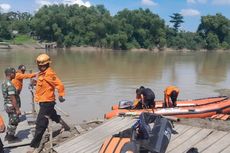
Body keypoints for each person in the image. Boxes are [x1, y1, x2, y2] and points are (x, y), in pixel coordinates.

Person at [27, 53, 67, 153]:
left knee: (41, 124)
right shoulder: (42, 74)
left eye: (43, 65)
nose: (41, 67)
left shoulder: (50, 74)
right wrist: (35, 83)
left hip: (47, 102)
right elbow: (43, 84)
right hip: (43, 101)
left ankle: (34, 145)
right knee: (53, 115)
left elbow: (60, 84)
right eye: (39, 66)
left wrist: (61, 95)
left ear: (48, 64)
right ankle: (65, 126)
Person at [1, 67, 21, 142]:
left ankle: (8, 135)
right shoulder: (9, 84)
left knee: (11, 120)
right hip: (11, 106)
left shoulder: (4, 82)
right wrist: (17, 109)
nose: (15, 74)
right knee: (14, 121)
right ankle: (10, 137)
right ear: (10, 74)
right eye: (14, 73)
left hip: (7, 105)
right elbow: (12, 97)